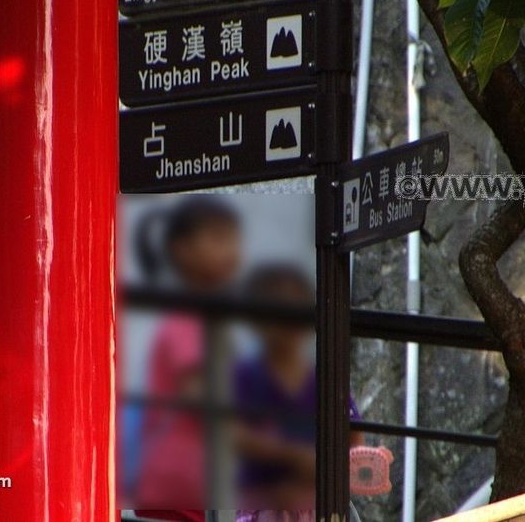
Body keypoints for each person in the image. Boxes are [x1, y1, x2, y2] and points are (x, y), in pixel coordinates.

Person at [130, 197, 243, 520]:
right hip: (182, 479)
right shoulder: (190, 316)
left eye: (233, 240)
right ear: (182, 250)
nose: (231, 251)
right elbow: (199, 394)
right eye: (219, 239)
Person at [232, 265, 366, 521]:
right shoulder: (246, 377)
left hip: (317, 503)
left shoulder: (325, 381)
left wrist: (344, 466)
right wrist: (296, 457)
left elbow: (354, 434)